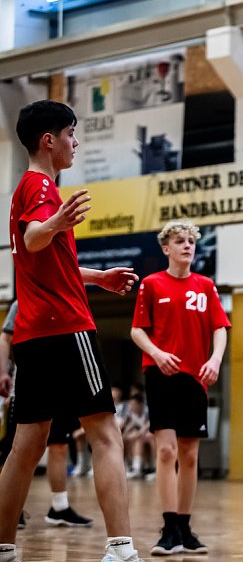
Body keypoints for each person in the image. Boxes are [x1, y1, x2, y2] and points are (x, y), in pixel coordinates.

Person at [0, 99, 142, 562]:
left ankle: (3, 547)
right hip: (67, 329)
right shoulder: (42, 187)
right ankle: (121, 548)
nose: (75, 142)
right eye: (71, 134)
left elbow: (45, 258)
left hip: (33, 333)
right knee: (106, 436)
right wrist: (56, 221)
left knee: (26, 445)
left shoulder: (24, 187)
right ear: (50, 139)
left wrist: (96, 276)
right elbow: (33, 237)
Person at [131, 219, 230, 555]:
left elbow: (220, 327)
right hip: (161, 374)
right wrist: (157, 354)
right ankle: (169, 528)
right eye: (180, 241)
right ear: (165, 248)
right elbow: (137, 330)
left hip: (195, 377)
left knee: (189, 455)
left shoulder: (205, 285)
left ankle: (186, 529)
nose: (187, 246)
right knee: (165, 451)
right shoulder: (151, 284)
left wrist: (215, 359)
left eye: (191, 241)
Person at [0, 300, 94, 529]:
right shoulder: (23, 300)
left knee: (59, 445)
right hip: (29, 385)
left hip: (62, 386)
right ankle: (11, 508)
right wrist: (3, 371)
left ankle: (59, 507)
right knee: (19, 450)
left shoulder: (69, 298)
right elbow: (5, 338)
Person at [122, 391, 154, 480]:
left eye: (134, 405)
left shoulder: (147, 412)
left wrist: (135, 434)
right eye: (131, 405)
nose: (132, 407)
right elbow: (130, 426)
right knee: (127, 438)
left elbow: (145, 428)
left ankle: (151, 468)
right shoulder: (132, 413)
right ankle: (131, 467)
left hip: (151, 435)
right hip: (142, 436)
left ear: (140, 404)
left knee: (139, 438)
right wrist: (125, 435)